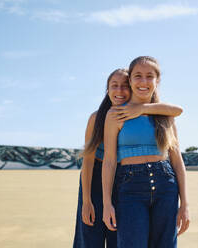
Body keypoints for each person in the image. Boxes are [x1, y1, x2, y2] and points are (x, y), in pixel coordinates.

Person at [73, 68, 184, 248]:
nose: (119, 91)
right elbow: (88, 162)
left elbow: (177, 110)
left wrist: (141, 108)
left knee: (120, 233)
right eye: (114, 86)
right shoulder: (98, 118)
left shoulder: (143, 113)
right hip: (96, 179)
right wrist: (86, 201)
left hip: (124, 177)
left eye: (125, 86)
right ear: (107, 90)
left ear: (132, 87)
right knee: (91, 232)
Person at [102, 56, 190, 248]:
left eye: (149, 76)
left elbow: (177, 161)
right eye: (138, 76)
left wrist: (185, 204)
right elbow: (109, 161)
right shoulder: (116, 114)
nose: (143, 81)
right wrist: (107, 203)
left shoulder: (166, 115)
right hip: (129, 188)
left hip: (166, 186)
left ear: (157, 81)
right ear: (130, 80)